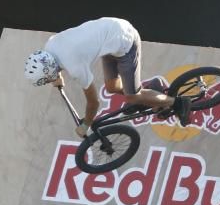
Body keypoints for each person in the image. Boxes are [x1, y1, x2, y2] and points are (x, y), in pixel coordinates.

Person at [23, 18, 192, 136]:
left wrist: (86, 124)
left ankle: (177, 103)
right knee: (112, 87)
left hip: (126, 41)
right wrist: (57, 77)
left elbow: (93, 103)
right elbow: (53, 63)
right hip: (109, 34)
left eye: (47, 79)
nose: (49, 81)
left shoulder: (75, 67)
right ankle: (153, 90)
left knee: (132, 96)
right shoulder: (50, 46)